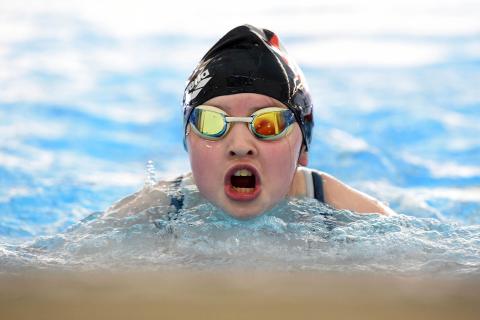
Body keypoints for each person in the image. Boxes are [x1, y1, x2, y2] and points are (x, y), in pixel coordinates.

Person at [105, 24, 395, 220]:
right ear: (187, 141)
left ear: (303, 147)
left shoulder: (346, 211)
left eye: (267, 124)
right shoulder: (156, 209)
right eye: (212, 122)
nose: (240, 145)